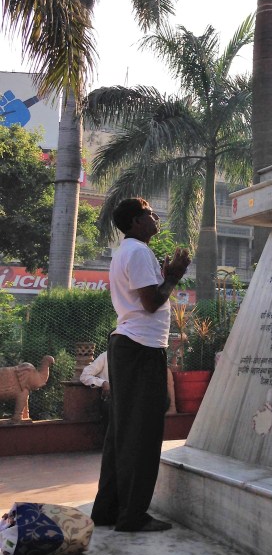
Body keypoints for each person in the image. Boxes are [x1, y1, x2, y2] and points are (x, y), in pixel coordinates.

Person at [91, 197, 190, 532]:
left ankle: (108, 509)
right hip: (140, 348)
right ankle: (132, 515)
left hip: (130, 347)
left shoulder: (128, 251)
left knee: (123, 431)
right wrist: (173, 276)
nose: (155, 218)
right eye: (149, 214)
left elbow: (145, 296)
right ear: (134, 221)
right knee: (142, 433)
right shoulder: (137, 251)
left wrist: (163, 276)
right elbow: (150, 304)